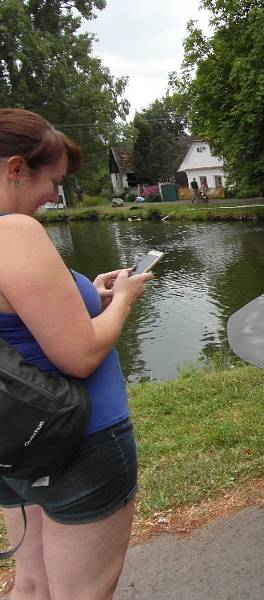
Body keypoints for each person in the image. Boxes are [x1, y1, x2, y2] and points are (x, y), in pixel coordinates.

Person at [0, 108, 153, 599]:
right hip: (78, 442)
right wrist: (125, 300)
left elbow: (21, 319)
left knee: (31, 583)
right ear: (16, 169)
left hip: (13, 442)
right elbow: (81, 355)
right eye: (55, 181)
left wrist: (89, 291)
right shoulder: (14, 233)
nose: (53, 197)